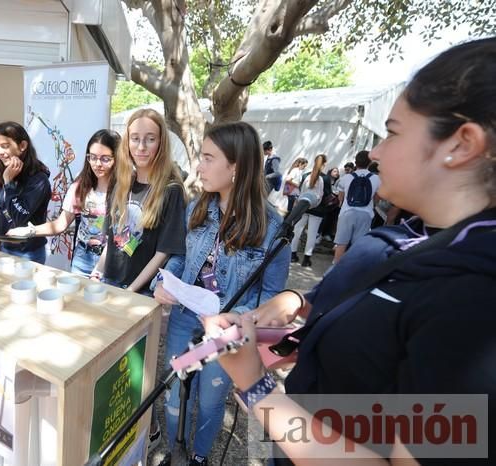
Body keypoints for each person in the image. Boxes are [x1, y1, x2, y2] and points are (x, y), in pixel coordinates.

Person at [205, 37, 496, 464]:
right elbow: (346, 320)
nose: (375, 153)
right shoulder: (406, 238)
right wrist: (293, 305)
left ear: (461, 144)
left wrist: (255, 387)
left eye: (393, 134)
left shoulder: (475, 295)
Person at [154, 122, 290, 466]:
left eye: (208, 158)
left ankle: (198, 456)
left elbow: (273, 297)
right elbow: (182, 255)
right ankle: (177, 452)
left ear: (237, 167)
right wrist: (166, 280)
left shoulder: (271, 229)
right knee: (174, 394)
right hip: (185, 321)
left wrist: (235, 317)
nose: (199, 165)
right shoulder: (197, 206)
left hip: (227, 334)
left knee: (211, 400)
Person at [91, 109, 186, 294]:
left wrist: (132, 289)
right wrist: (97, 271)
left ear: (161, 143)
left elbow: (163, 253)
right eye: (135, 138)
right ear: (127, 142)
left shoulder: (171, 190)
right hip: (108, 283)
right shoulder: (119, 184)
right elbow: (112, 241)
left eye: (150, 139)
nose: (141, 147)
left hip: (142, 292)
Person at [19, 129, 120, 275]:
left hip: (112, 260)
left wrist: (98, 271)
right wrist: (30, 231)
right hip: (83, 257)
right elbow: (60, 224)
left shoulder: (126, 188)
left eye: (105, 158)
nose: (97, 164)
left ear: (118, 158)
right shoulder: (82, 184)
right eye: (92, 157)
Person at [0, 121, 51, 263]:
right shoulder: (4, 173)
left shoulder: (39, 180)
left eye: (5, 146)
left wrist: (9, 183)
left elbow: (19, 217)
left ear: (22, 146)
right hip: (4, 247)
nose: (0, 152)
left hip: (29, 252)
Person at [332, 149, 381, 263]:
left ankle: (334, 269)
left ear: (355, 162)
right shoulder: (377, 179)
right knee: (357, 246)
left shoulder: (346, 177)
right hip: (366, 214)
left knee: (341, 244)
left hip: (346, 212)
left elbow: (340, 198)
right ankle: (350, 270)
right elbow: (377, 199)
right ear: (370, 163)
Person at [289, 154, 327, 267]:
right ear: (324, 164)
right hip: (318, 209)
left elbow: (299, 190)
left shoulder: (306, 175)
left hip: (303, 207)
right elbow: (327, 195)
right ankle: (306, 259)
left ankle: (292, 254)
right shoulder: (325, 178)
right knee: (312, 234)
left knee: (297, 231)